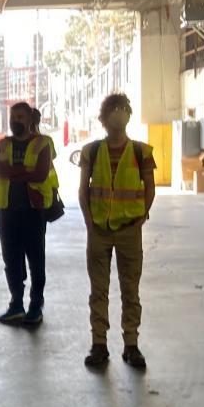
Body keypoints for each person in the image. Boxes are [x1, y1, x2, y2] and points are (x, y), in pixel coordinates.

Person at [78, 93, 156, 369]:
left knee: (130, 291)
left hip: (129, 231)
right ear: (102, 118)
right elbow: (82, 190)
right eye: (113, 109)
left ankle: (131, 345)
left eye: (123, 109)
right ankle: (99, 344)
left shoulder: (142, 151)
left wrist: (140, 217)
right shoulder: (91, 151)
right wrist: (89, 222)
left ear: (129, 115)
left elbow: (150, 187)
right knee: (98, 291)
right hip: (98, 230)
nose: (118, 114)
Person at [0, 101, 54, 326]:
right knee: (11, 260)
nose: (15, 121)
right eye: (13, 117)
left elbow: (40, 174)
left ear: (29, 120)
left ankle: (36, 305)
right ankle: (16, 304)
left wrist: (10, 173)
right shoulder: (3, 143)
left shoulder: (43, 143)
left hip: (33, 211)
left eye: (20, 117)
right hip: (7, 211)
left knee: (36, 259)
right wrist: (24, 172)